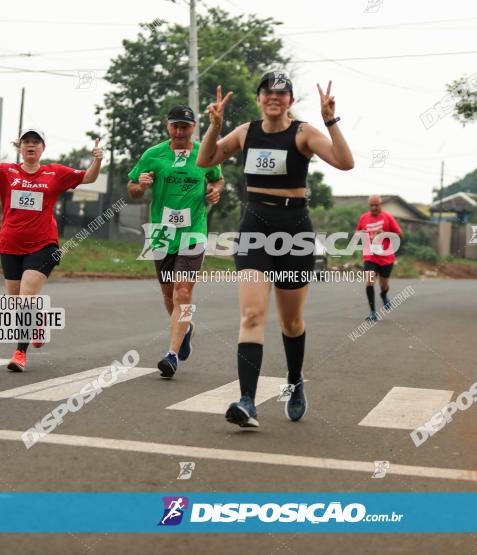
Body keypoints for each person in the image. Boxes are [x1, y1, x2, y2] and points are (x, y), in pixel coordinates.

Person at [197, 73, 354, 428]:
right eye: (268, 92)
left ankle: (295, 380)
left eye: (282, 94)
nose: (275, 98)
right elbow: (205, 161)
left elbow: (345, 162)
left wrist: (330, 121)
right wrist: (214, 126)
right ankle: (248, 401)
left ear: (290, 100)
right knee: (252, 316)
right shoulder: (244, 132)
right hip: (255, 226)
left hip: (295, 231)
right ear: (259, 98)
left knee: (291, 321)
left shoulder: (303, 132)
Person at [0, 128, 102, 371]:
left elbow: (89, 178)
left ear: (43, 148)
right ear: (20, 147)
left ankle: (20, 352)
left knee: (27, 297)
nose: (31, 146)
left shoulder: (56, 172)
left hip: (43, 244)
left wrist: (98, 160)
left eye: (36, 142)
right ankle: (38, 320)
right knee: (16, 303)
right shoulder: (5, 172)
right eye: (26, 142)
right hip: (10, 244)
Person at [127, 105, 224, 379]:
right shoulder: (153, 155)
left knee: (183, 292)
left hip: (194, 231)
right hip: (162, 233)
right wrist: (141, 185)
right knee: (169, 294)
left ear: (194, 127)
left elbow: (218, 180)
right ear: (167, 126)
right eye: (175, 125)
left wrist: (214, 191)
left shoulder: (204, 153)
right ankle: (186, 327)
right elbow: (132, 188)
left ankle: (171, 354)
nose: (180, 131)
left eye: (185, 126)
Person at [356, 195, 403, 321]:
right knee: (370, 281)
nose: (374, 207)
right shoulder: (364, 218)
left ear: (380, 205)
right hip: (370, 256)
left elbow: (400, 234)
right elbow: (358, 233)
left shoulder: (388, 217)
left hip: (386, 257)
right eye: (371, 205)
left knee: (384, 285)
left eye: (376, 205)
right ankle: (372, 312)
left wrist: (385, 234)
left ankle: (384, 295)